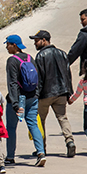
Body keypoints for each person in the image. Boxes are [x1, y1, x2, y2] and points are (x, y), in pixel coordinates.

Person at [31, 30, 76, 158]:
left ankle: (42, 148)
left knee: (40, 121)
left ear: (44, 40)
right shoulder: (62, 54)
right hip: (61, 92)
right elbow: (68, 75)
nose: (35, 43)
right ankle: (70, 141)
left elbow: (39, 78)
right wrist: (69, 93)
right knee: (62, 118)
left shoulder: (40, 56)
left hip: (45, 94)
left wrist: (36, 95)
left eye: (37, 41)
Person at [4, 34, 46, 167]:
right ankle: (41, 153)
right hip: (32, 97)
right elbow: (38, 78)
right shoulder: (29, 58)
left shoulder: (12, 61)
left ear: (14, 45)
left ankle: (10, 157)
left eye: (8, 45)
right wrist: (36, 94)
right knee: (33, 124)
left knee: (11, 127)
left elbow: (12, 83)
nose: (6, 47)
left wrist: (15, 103)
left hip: (18, 99)